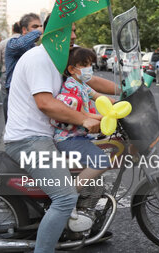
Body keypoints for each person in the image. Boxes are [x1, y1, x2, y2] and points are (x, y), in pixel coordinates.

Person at [3, 22, 101, 253]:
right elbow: (46, 103)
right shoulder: (39, 58)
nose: (75, 35)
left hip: (44, 136)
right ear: (53, 32)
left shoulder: (55, 60)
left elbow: (89, 84)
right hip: (29, 140)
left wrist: (120, 96)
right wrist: (83, 120)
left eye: (76, 30)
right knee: (65, 198)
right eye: (70, 30)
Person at [51, 47, 112, 219]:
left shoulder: (82, 85)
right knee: (101, 160)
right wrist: (104, 116)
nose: (89, 69)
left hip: (77, 136)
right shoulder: (71, 86)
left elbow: (99, 97)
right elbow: (82, 114)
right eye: (84, 65)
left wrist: (121, 104)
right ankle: (68, 197)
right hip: (68, 138)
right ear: (72, 69)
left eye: (90, 65)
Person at [3, 13, 43, 119]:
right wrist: (38, 32)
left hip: (30, 97)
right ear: (24, 30)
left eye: (40, 26)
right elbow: (20, 45)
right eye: (34, 27)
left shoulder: (36, 49)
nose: (39, 29)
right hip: (14, 97)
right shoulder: (12, 44)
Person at [0, 22, 22, 120]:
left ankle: (8, 124)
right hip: (22, 76)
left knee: (6, 100)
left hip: (6, 75)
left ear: (12, 29)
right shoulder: (26, 43)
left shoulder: (3, 43)